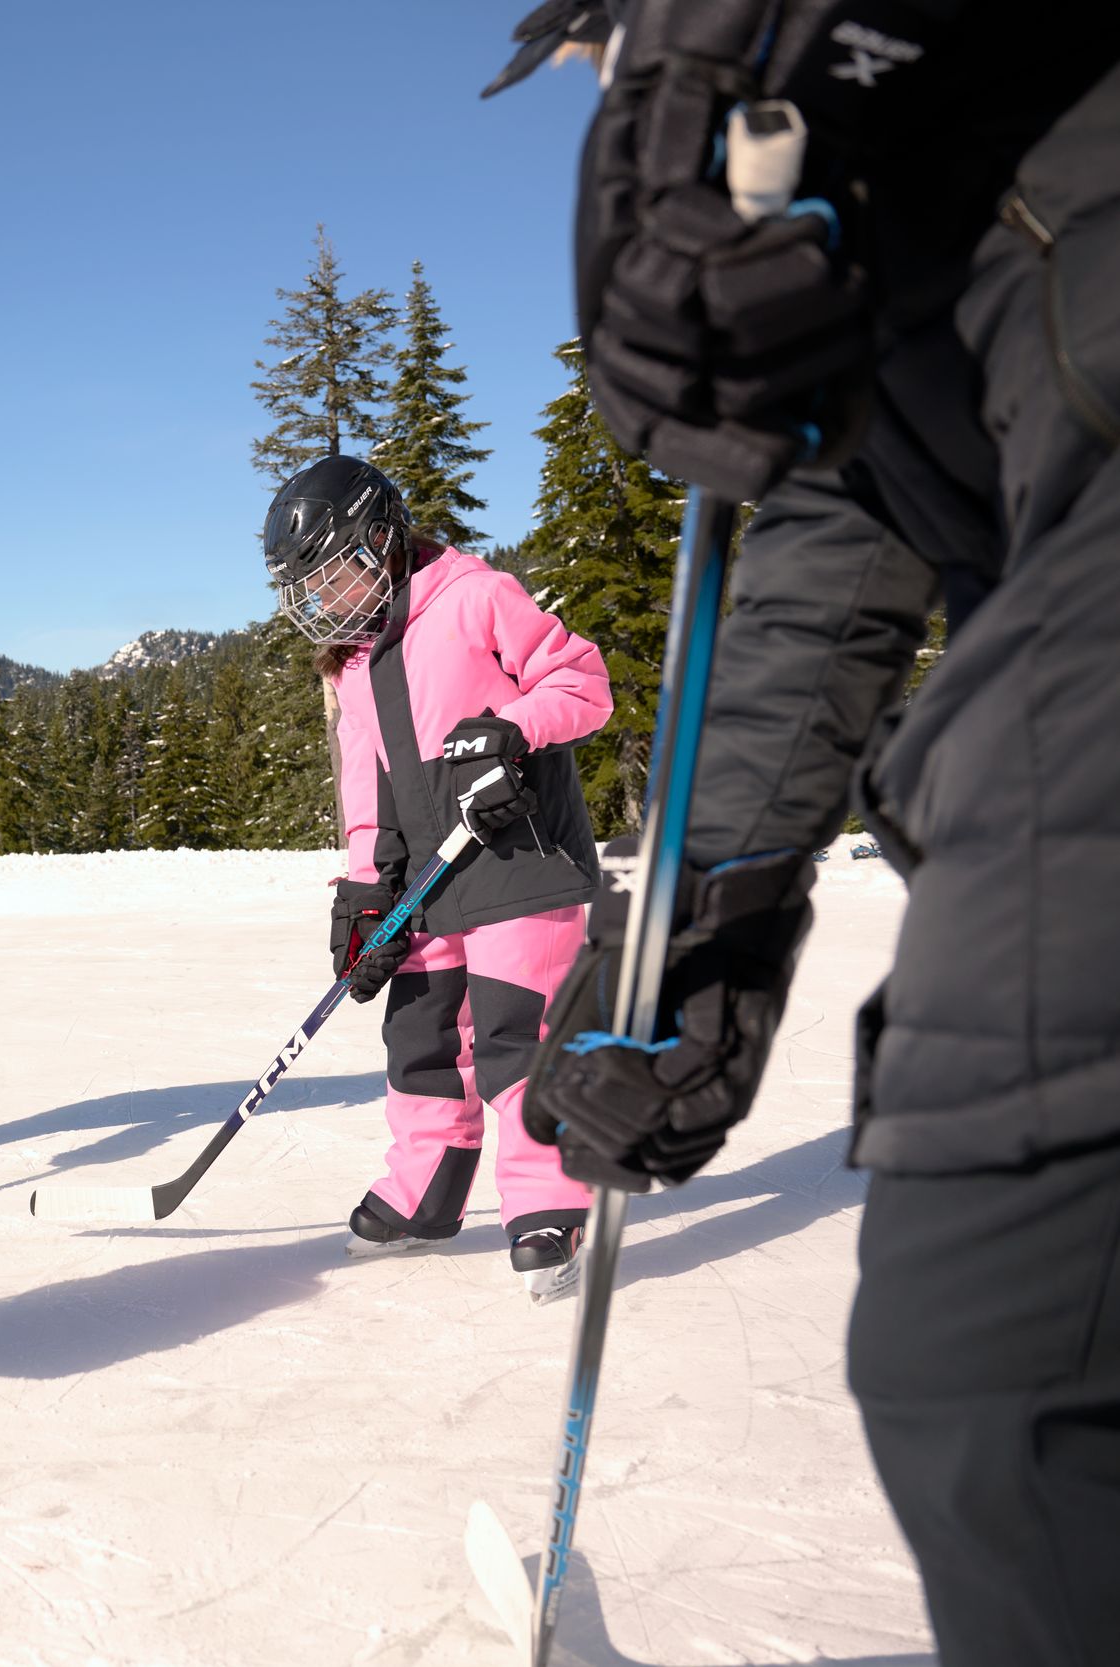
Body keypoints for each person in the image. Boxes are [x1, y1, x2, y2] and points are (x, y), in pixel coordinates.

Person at [492, 4, 1120, 1659]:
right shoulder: (864, 201)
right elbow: (833, 551)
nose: (608, 94)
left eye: (607, 51)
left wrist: (733, 44)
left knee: (1007, 1355)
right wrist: (702, 918)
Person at [266, 456, 612, 1299]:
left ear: (381, 541)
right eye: (305, 591)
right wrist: (363, 892)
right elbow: (365, 789)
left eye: (331, 576)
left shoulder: (474, 596)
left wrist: (511, 730)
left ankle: (548, 1203)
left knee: (513, 1035)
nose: (322, 603)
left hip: (520, 861)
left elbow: (584, 683)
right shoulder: (352, 664)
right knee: (420, 1041)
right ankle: (427, 1191)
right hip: (428, 878)